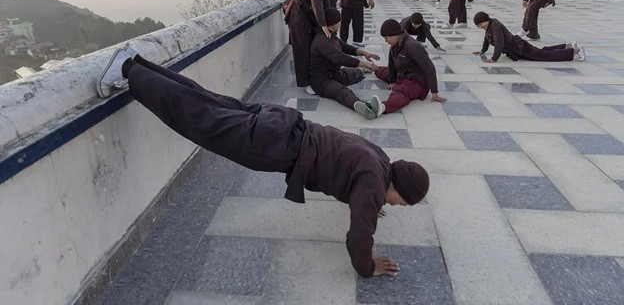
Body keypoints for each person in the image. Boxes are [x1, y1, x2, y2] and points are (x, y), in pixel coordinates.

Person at [95, 44, 430, 278]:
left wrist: (371, 201)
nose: (397, 205)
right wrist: (368, 267)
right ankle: (127, 69)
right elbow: (359, 236)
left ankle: (135, 64)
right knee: (196, 117)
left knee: (203, 100)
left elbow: (358, 182)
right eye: (402, 201)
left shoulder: (380, 160)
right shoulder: (372, 186)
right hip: (272, 143)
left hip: (282, 121)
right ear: (398, 187)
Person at [284, 0, 349, 94]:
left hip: (309, 13)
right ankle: (305, 83)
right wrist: (323, 24)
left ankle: (317, 76)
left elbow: (325, 0)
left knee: (313, 43)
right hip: (298, 12)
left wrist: (329, 19)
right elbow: (316, 1)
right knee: (302, 48)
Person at [309, 8, 383, 119]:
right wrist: (364, 63)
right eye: (339, 21)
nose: (340, 24)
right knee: (342, 91)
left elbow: (344, 47)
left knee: (354, 73)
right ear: (332, 24)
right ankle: (364, 107)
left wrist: (365, 53)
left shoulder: (330, 34)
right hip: (321, 80)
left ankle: (363, 71)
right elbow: (340, 58)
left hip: (335, 74)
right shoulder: (322, 41)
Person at [374, 19, 447, 114]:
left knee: (401, 91)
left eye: (386, 38)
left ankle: (382, 107)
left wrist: (434, 91)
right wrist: (392, 81)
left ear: (394, 35)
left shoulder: (412, 46)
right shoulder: (395, 44)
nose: (385, 41)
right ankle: (369, 68)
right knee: (381, 72)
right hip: (401, 74)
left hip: (416, 81)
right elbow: (391, 63)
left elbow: (429, 68)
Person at [472, 11, 585, 62]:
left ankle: (574, 51)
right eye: (478, 26)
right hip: (517, 47)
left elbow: (499, 42)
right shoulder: (489, 26)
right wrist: (482, 51)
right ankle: (568, 46)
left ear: (485, 20)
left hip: (519, 47)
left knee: (543, 56)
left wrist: (494, 58)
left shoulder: (495, 25)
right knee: (542, 51)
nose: (480, 27)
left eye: (480, 24)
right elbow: (487, 39)